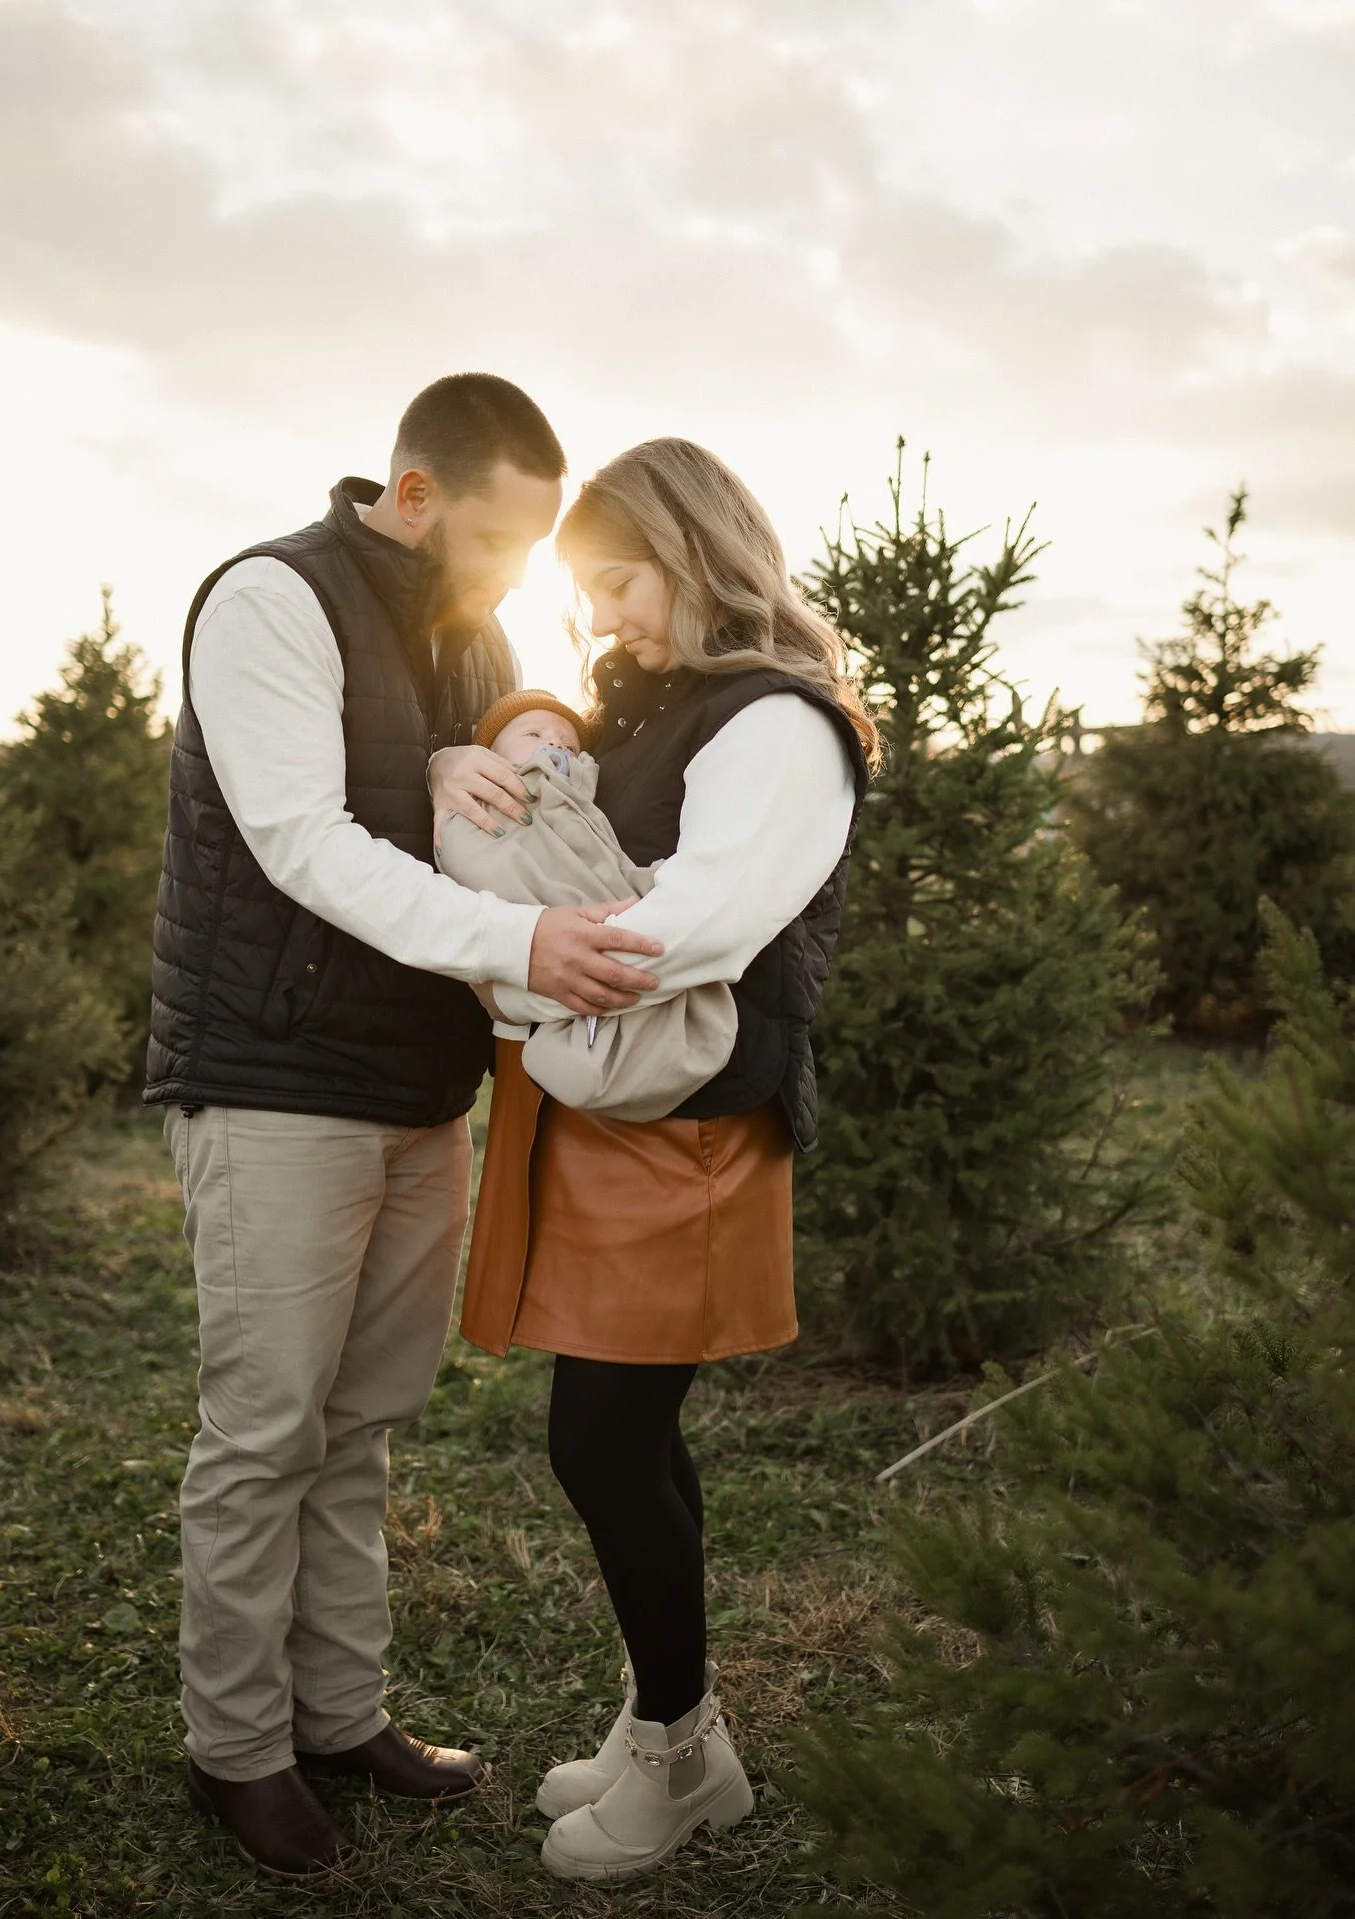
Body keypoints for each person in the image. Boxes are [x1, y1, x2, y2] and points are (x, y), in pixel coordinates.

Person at [144, 373, 664, 1880]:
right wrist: (521, 947)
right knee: (265, 1425)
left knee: (364, 1420)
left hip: (417, 1084)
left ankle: (340, 1707)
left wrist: (510, 728)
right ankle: (234, 1746)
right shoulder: (269, 599)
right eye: (497, 540)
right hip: (276, 1074)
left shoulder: (471, 620)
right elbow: (304, 839)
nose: (512, 576)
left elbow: (493, 743)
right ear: (416, 493)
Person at [458, 437, 878, 1883]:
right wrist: (497, 738)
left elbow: (679, 929)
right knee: (627, 1438)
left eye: (623, 581)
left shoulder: (777, 724)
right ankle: (671, 1732)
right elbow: (567, 789)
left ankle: (681, 1752)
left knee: (604, 1440)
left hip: (689, 1129)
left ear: (695, 553)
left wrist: (515, 974)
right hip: (629, 1111)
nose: (608, 617)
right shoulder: (673, 701)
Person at [435, 689, 737, 1120]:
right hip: (531, 928)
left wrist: (651, 884)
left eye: (568, 742)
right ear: (490, 753)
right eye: (533, 732)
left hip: (598, 927)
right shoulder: (478, 807)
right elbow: (477, 861)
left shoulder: (583, 804)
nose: (554, 744)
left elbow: (606, 860)